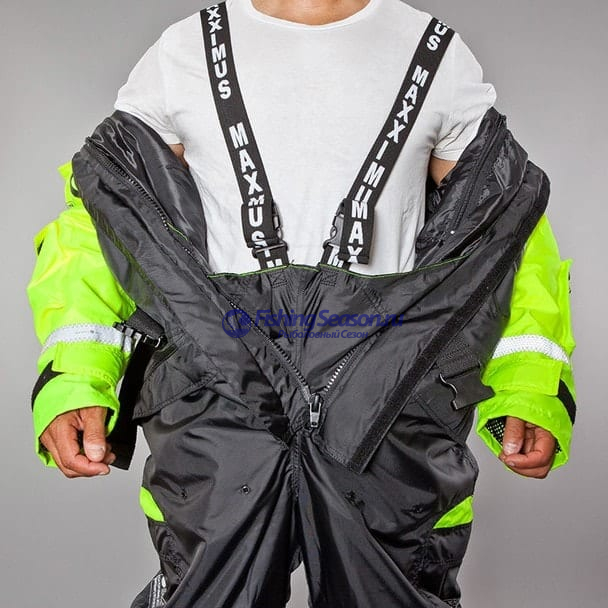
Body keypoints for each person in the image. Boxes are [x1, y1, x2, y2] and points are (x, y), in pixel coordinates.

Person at [27, 1, 576, 606]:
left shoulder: (433, 51)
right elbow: (105, 218)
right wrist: (74, 380)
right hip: (222, 393)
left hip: (387, 403)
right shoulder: (183, 52)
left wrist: (528, 387)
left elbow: (507, 230)